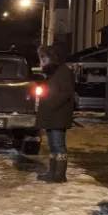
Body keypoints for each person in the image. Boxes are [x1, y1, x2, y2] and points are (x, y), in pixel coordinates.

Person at [35, 44, 75, 183]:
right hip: (51, 115)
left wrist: (51, 105)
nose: (42, 60)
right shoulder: (53, 72)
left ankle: (60, 174)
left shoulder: (64, 71)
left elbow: (66, 93)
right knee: (52, 145)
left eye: (43, 57)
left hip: (59, 114)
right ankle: (52, 172)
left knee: (58, 144)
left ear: (52, 57)